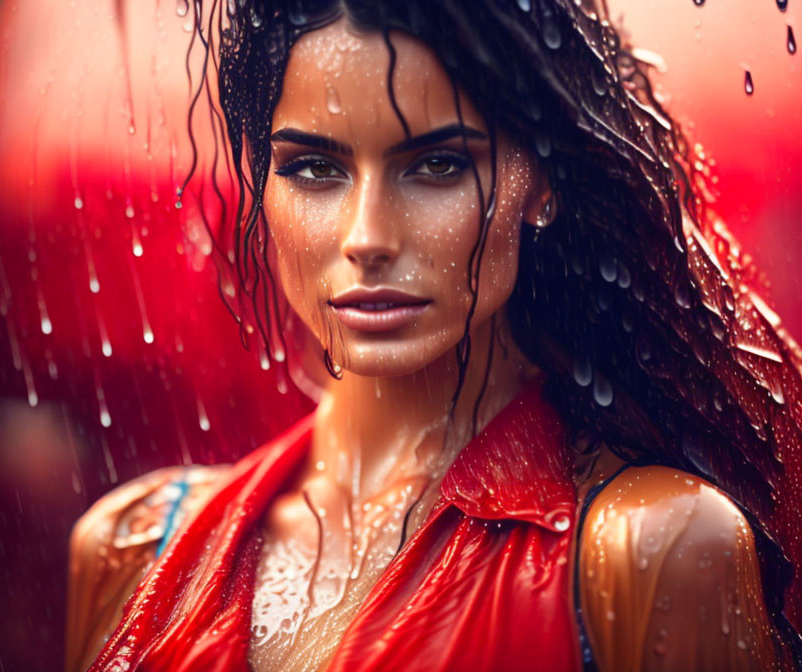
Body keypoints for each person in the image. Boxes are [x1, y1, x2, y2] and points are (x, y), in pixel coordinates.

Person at [66, 1, 802, 670]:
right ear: (261, 182)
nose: (367, 237)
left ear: (540, 182)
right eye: (314, 167)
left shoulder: (651, 549)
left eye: (437, 164)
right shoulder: (132, 552)